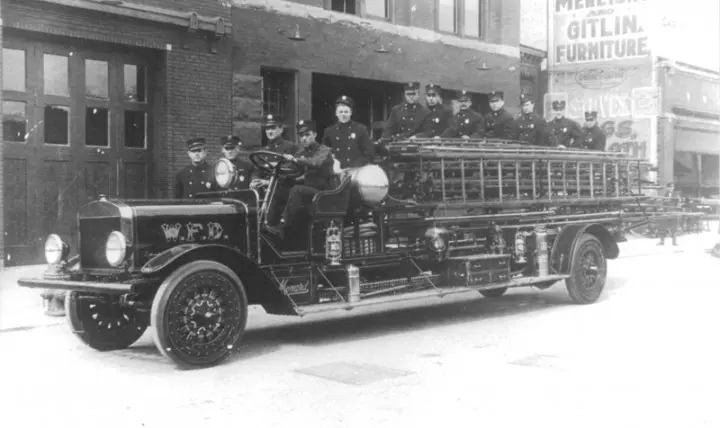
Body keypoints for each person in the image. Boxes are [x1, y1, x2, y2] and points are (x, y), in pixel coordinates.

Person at [267, 120, 335, 242]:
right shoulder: (301, 152)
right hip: (308, 190)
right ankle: (268, 224)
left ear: (314, 134)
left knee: (297, 189)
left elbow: (315, 162)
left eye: (307, 135)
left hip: (323, 192)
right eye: (302, 135)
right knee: (279, 190)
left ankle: (283, 226)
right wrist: (277, 167)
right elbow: (291, 168)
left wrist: (296, 160)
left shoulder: (324, 150)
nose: (304, 138)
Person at [322, 95, 375, 168]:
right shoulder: (329, 131)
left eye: (346, 112)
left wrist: (356, 165)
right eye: (340, 112)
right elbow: (323, 154)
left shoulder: (361, 129)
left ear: (351, 113)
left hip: (356, 169)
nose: (343, 114)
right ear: (336, 113)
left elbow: (369, 153)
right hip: (335, 171)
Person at [658, 182, 680, 246]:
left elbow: (678, 202)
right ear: (667, 188)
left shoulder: (676, 194)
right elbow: (662, 202)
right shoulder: (665, 194)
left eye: (673, 187)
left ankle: (674, 242)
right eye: (670, 187)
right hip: (666, 212)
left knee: (674, 227)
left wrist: (677, 203)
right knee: (662, 226)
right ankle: (662, 242)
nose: (671, 188)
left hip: (673, 212)